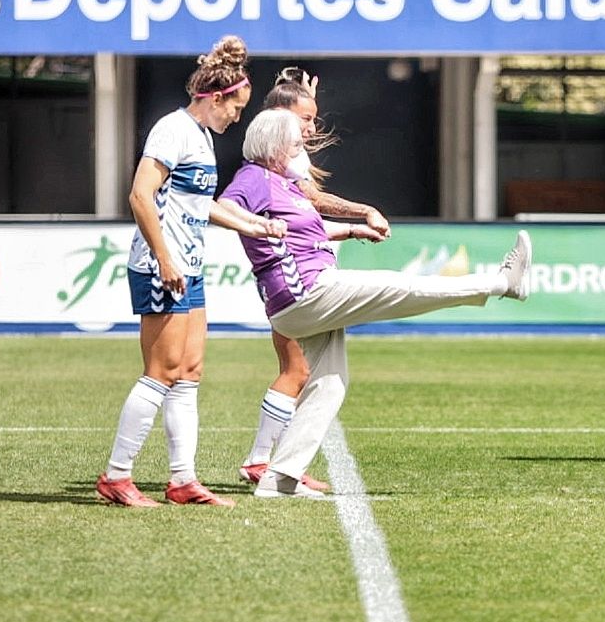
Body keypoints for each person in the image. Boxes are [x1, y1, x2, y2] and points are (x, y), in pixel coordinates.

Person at [219, 108, 532, 498]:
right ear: (274, 147)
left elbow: (311, 228)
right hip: (306, 292)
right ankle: (502, 283)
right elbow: (223, 207)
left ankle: (280, 477)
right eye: (296, 144)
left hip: (302, 299)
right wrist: (257, 226)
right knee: (402, 287)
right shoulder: (255, 177)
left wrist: (354, 229)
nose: (303, 151)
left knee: (331, 383)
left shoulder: (286, 184)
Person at [97, 36, 286, 509]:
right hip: (162, 267)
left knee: (190, 371)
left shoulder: (201, 138)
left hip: (189, 268)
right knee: (161, 372)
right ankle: (117, 475)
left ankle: (182, 480)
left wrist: (254, 224)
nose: (236, 118)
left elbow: (201, 208)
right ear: (215, 98)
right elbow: (141, 196)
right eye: (236, 109)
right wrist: (164, 259)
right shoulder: (172, 130)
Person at [237, 67, 393, 494]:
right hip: (295, 275)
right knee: (297, 368)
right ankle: (262, 461)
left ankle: (268, 460)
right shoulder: (276, 155)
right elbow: (313, 199)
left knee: (298, 369)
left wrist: (299, 95)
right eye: (305, 118)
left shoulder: (285, 145)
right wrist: (362, 211)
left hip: (306, 266)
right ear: (282, 115)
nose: (312, 126)